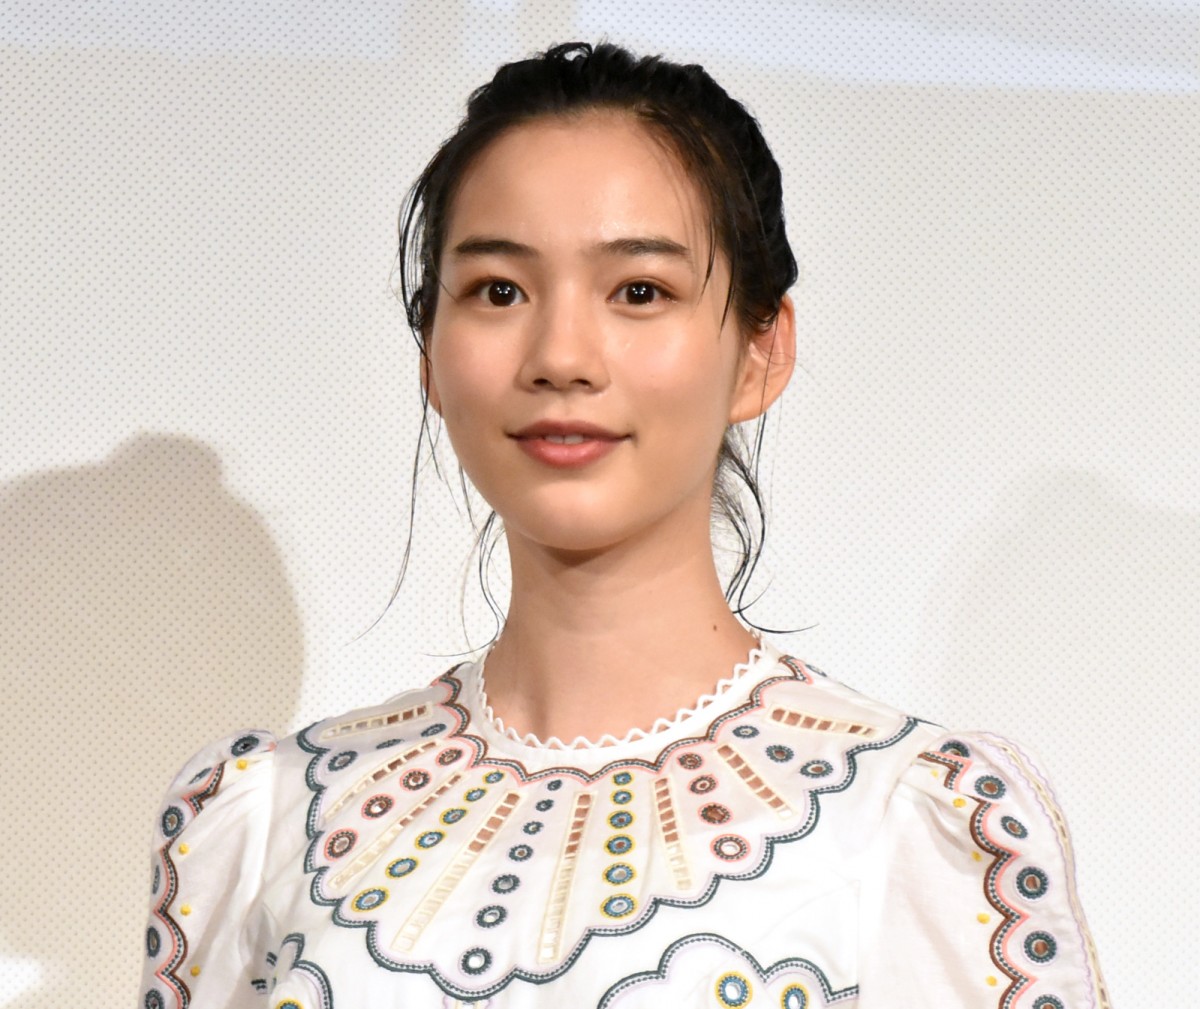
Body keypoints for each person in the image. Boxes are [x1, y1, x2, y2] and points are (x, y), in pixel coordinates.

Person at [141, 42, 1108, 1008]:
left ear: (762, 352)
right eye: (499, 291)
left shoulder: (905, 822)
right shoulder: (270, 816)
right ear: (430, 353)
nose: (562, 355)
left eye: (639, 292)